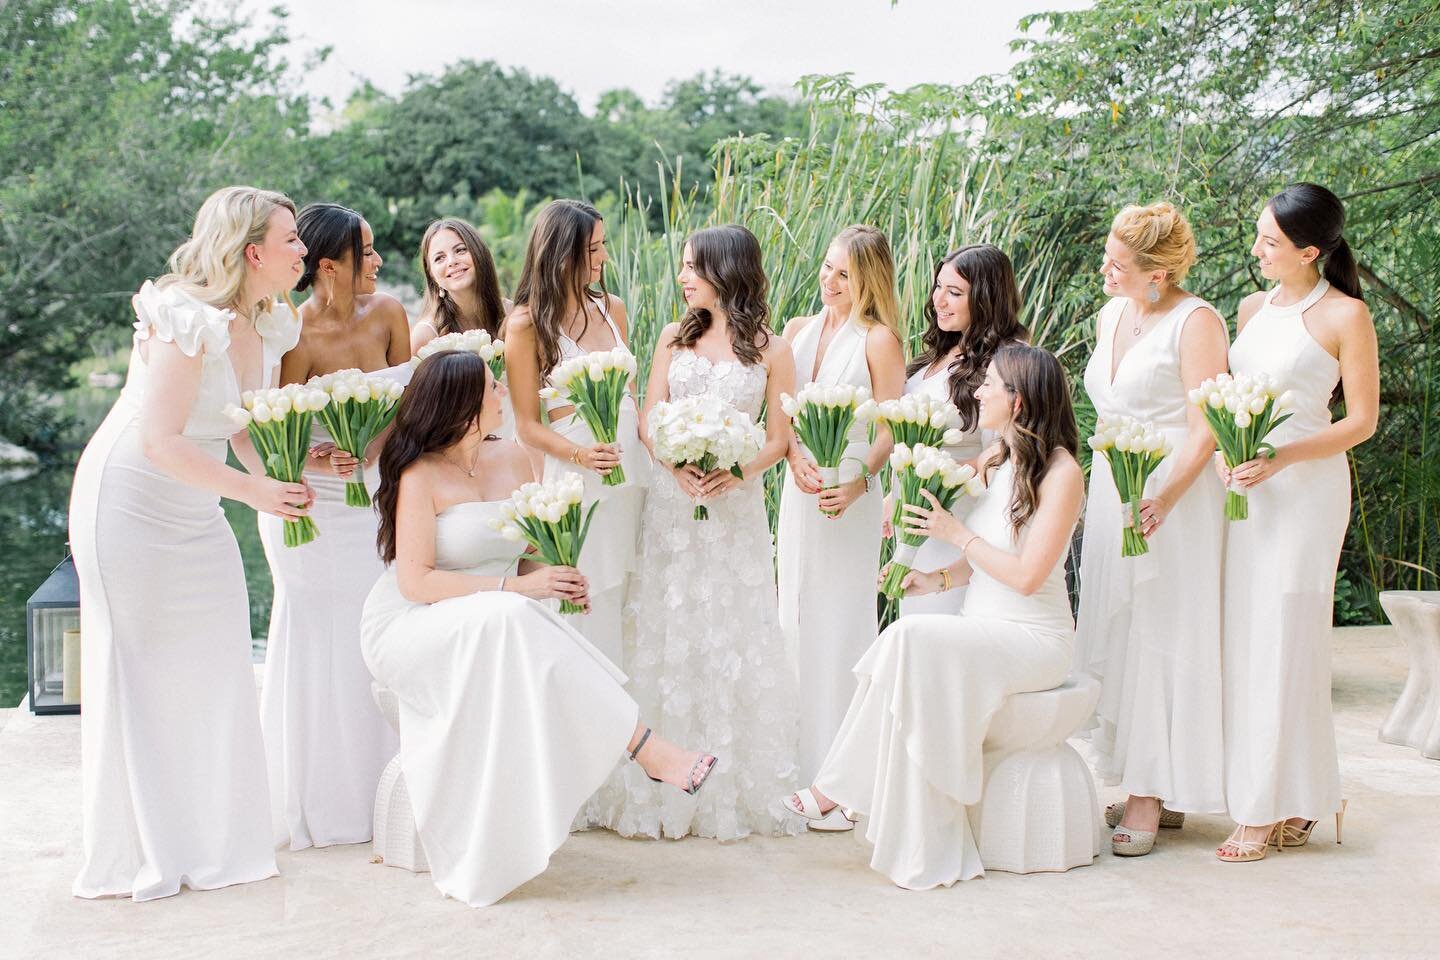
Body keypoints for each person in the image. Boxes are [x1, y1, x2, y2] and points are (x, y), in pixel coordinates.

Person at [361, 350, 716, 906]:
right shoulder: (419, 473)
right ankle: (645, 745)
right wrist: (518, 589)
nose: (503, 390)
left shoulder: (518, 460)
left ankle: (637, 748)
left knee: (512, 617)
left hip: (496, 617)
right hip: (413, 624)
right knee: (510, 614)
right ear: (462, 404)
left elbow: (518, 558)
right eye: (490, 386)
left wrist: (548, 573)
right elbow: (417, 583)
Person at [69, 185, 310, 900]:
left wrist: (285, 475)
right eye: (291, 239)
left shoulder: (267, 324)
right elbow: (162, 439)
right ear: (252, 251)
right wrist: (254, 494)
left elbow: (238, 424)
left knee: (215, 662)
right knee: (141, 675)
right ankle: (146, 849)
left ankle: (217, 842)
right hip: (131, 502)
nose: (303, 250)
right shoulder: (184, 319)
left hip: (196, 505)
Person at [783, 344, 1085, 888]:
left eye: (991, 383)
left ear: (1018, 402)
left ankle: (837, 790)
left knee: (910, 636)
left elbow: (1026, 576)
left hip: (1035, 639)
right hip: (984, 625)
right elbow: (987, 556)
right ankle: (847, 792)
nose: (980, 389)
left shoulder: (1061, 472)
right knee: (907, 638)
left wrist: (954, 534)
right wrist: (938, 578)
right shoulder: (997, 458)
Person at [591, 225, 803, 840]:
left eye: (691, 267)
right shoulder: (669, 338)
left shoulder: (771, 348)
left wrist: (736, 471)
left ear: (726, 270)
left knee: (732, 625)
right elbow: (650, 418)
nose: (681, 278)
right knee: (666, 621)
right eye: (681, 267)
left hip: (734, 510)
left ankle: (732, 784)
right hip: (671, 506)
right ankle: (653, 778)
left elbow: (780, 437)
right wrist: (676, 464)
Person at [1214, 183, 1377, 862]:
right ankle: (1308, 793)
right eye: (1259, 236)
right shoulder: (1253, 310)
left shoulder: (1346, 315)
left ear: (1310, 251)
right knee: (1247, 639)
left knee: (1285, 637)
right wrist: (1233, 455)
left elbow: (1362, 422)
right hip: (1248, 491)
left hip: (1306, 490)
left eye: (1271, 242)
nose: (1257, 250)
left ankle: (1264, 807)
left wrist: (1280, 455)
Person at [1071, 202, 1230, 855]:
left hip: (1175, 499)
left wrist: (1164, 495)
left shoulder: (1196, 323)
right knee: (1123, 626)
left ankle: (1150, 792)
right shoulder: (1114, 313)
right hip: (1116, 487)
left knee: (1161, 632)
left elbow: (1209, 424)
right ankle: (1142, 777)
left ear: (1158, 272)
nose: (1104, 267)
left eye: (1119, 261)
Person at [258, 202, 411, 851]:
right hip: (313, 507)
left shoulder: (390, 314)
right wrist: (314, 453)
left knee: (379, 631)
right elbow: (274, 431)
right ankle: (324, 802)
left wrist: (374, 449)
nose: (377, 262)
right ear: (329, 266)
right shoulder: (293, 332)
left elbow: (413, 405)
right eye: (366, 252)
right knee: (322, 641)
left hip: (375, 498)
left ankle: (391, 794)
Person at [777, 225, 906, 783]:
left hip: (850, 487)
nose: (830, 281)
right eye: (828, 268)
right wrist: (791, 458)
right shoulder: (797, 330)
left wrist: (857, 481)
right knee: (794, 613)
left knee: (839, 617)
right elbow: (779, 415)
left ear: (868, 280)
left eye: (845, 274)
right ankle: (793, 757)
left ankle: (842, 770)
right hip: (800, 487)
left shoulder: (878, 339)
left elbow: (891, 426)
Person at [505, 199, 650, 665]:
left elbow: (633, 397)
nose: (602, 258)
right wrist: (581, 456)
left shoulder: (613, 309)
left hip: (632, 470)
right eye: (593, 248)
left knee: (632, 587)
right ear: (561, 254)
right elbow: (528, 425)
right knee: (587, 589)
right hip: (576, 477)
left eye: (602, 246)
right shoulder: (527, 324)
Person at [892, 244, 1027, 616]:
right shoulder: (939, 351)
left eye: (955, 293)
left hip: (961, 514)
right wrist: (900, 493)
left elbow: (1005, 450)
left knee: (944, 623)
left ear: (985, 299)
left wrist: (940, 480)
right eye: (938, 287)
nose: (940, 301)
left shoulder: (1007, 360)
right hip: (917, 510)